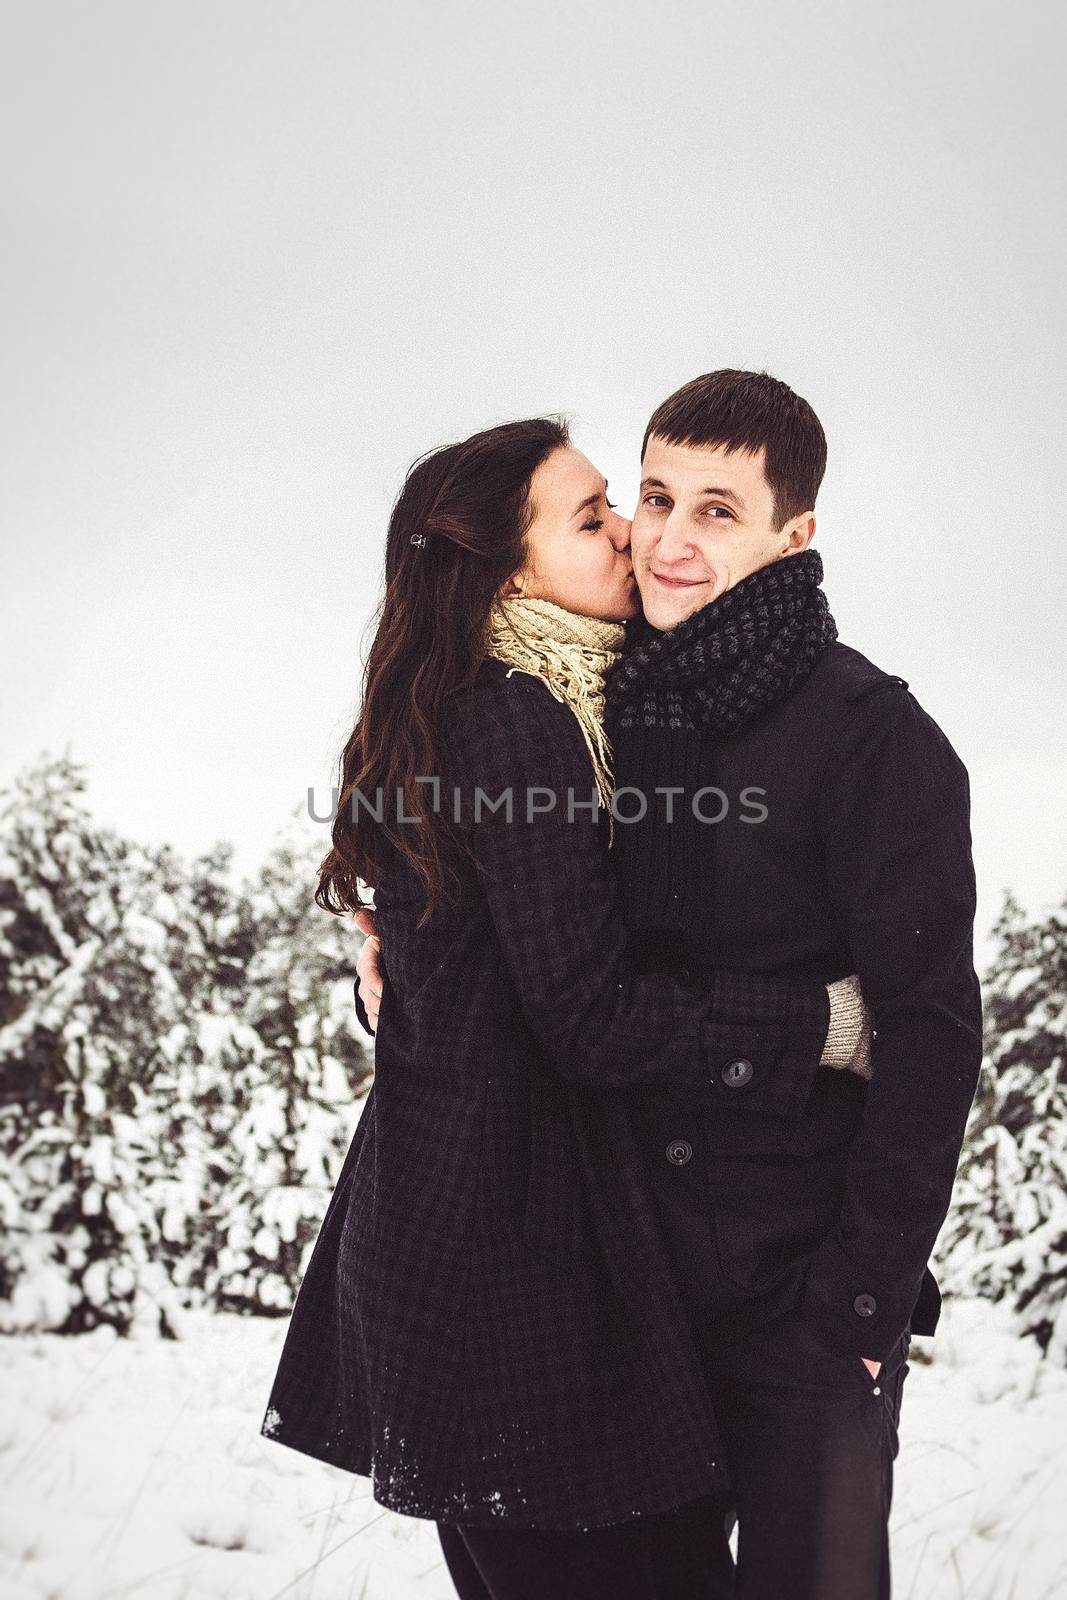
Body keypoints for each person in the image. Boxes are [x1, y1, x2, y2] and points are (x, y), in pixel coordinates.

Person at [355, 372, 984, 1599]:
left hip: (799, 1296)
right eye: (647, 499)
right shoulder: (589, 698)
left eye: (716, 510)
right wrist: (400, 948)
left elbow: (930, 1040)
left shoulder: (871, 738)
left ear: (791, 535)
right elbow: (508, 908)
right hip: (618, 1298)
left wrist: (856, 1314)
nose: (666, 539)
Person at [261, 413, 873, 1600]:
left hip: (481, 1241)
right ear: (507, 569)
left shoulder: (523, 698)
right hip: (508, 1271)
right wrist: (820, 1026)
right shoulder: (515, 716)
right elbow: (587, 1014)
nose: (628, 537)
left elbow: (468, 949)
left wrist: (397, 981)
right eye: (591, 516)